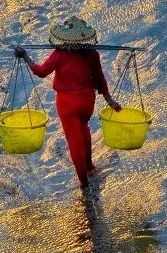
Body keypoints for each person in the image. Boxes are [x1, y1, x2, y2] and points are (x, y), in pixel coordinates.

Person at [14, 16, 121, 187]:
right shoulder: (92, 54)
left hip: (67, 103)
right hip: (87, 101)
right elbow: (100, 78)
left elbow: (40, 72)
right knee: (84, 129)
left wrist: (25, 56)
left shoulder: (59, 54)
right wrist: (109, 99)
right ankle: (90, 167)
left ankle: (83, 183)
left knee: (74, 140)